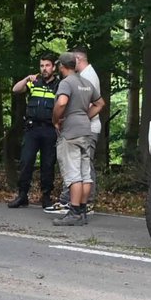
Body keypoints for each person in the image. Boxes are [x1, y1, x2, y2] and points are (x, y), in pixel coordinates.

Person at [51, 52, 102, 226]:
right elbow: (100, 103)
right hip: (86, 131)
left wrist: (56, 119)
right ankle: (82, 210)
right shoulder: (86, 83)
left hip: (71, 132)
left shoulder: (66, 83)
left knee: (73, 174)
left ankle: (73, 211)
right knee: (85, 173)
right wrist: (85, 116)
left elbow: (62, 102)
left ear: (62, 66)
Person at [7, 53, 60, 209]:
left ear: (54, 67)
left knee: (48, 164)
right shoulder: (34, 82)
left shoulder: (59, 85)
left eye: (47, 65)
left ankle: (46, 197)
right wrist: (26, 79)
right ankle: (22, 195)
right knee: (26, 161)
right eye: (42, 65)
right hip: (32, 129)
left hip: (49, 129)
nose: (44, 69)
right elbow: (16, 90)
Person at [70, 47, 104, 214]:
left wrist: (80, 119)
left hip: (89, 128)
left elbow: (93, 104)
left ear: (78, 59)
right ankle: (80, 201)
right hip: (86, 126)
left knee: (85, 165)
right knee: (83, 164)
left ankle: (87, 202)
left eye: (72, 60)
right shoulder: (85, 75)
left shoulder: (88, 77)